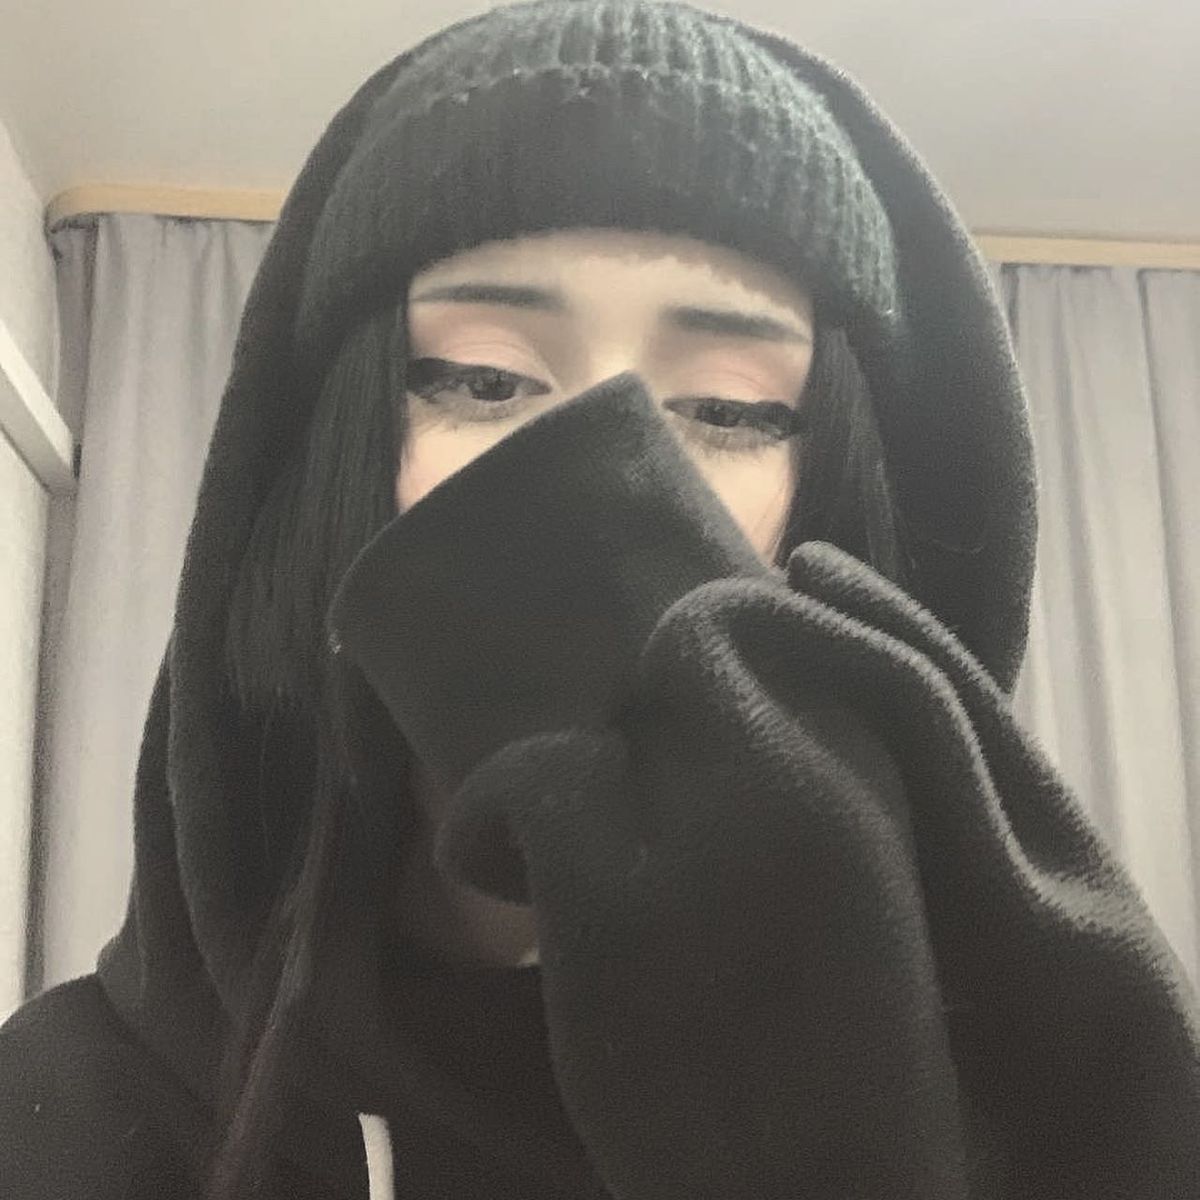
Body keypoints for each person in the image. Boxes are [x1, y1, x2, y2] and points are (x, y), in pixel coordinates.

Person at [2, 1, 1198, 1198]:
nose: (605, 468)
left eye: (730, 409)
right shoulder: (68, 1111)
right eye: (484, 381)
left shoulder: (1043, 1094)